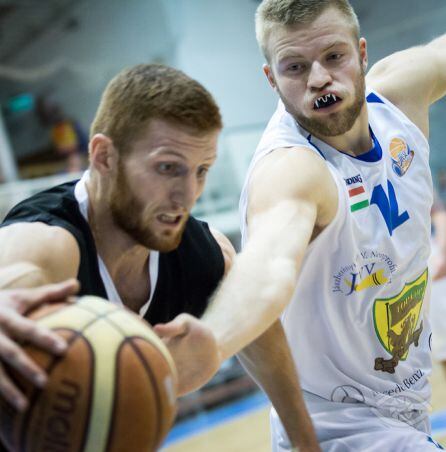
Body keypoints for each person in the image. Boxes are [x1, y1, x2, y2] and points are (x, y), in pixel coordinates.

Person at [157, 0, 446, 450]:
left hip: (404, 405)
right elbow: (267, 267)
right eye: (295, 67)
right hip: (338, 426)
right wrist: (214, 340)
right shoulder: (292, 170)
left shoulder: (400, 98)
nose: (318, 79)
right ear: (271, 78)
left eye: (334, 57)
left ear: (362, 53)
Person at [0, 63, 317, 451]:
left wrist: (306, 442)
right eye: (167, 168)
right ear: (104, 157)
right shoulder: (50, 241)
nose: (187, 196)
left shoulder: (201, 251)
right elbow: (12, 271)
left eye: (201, 171)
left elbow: (261, 331)